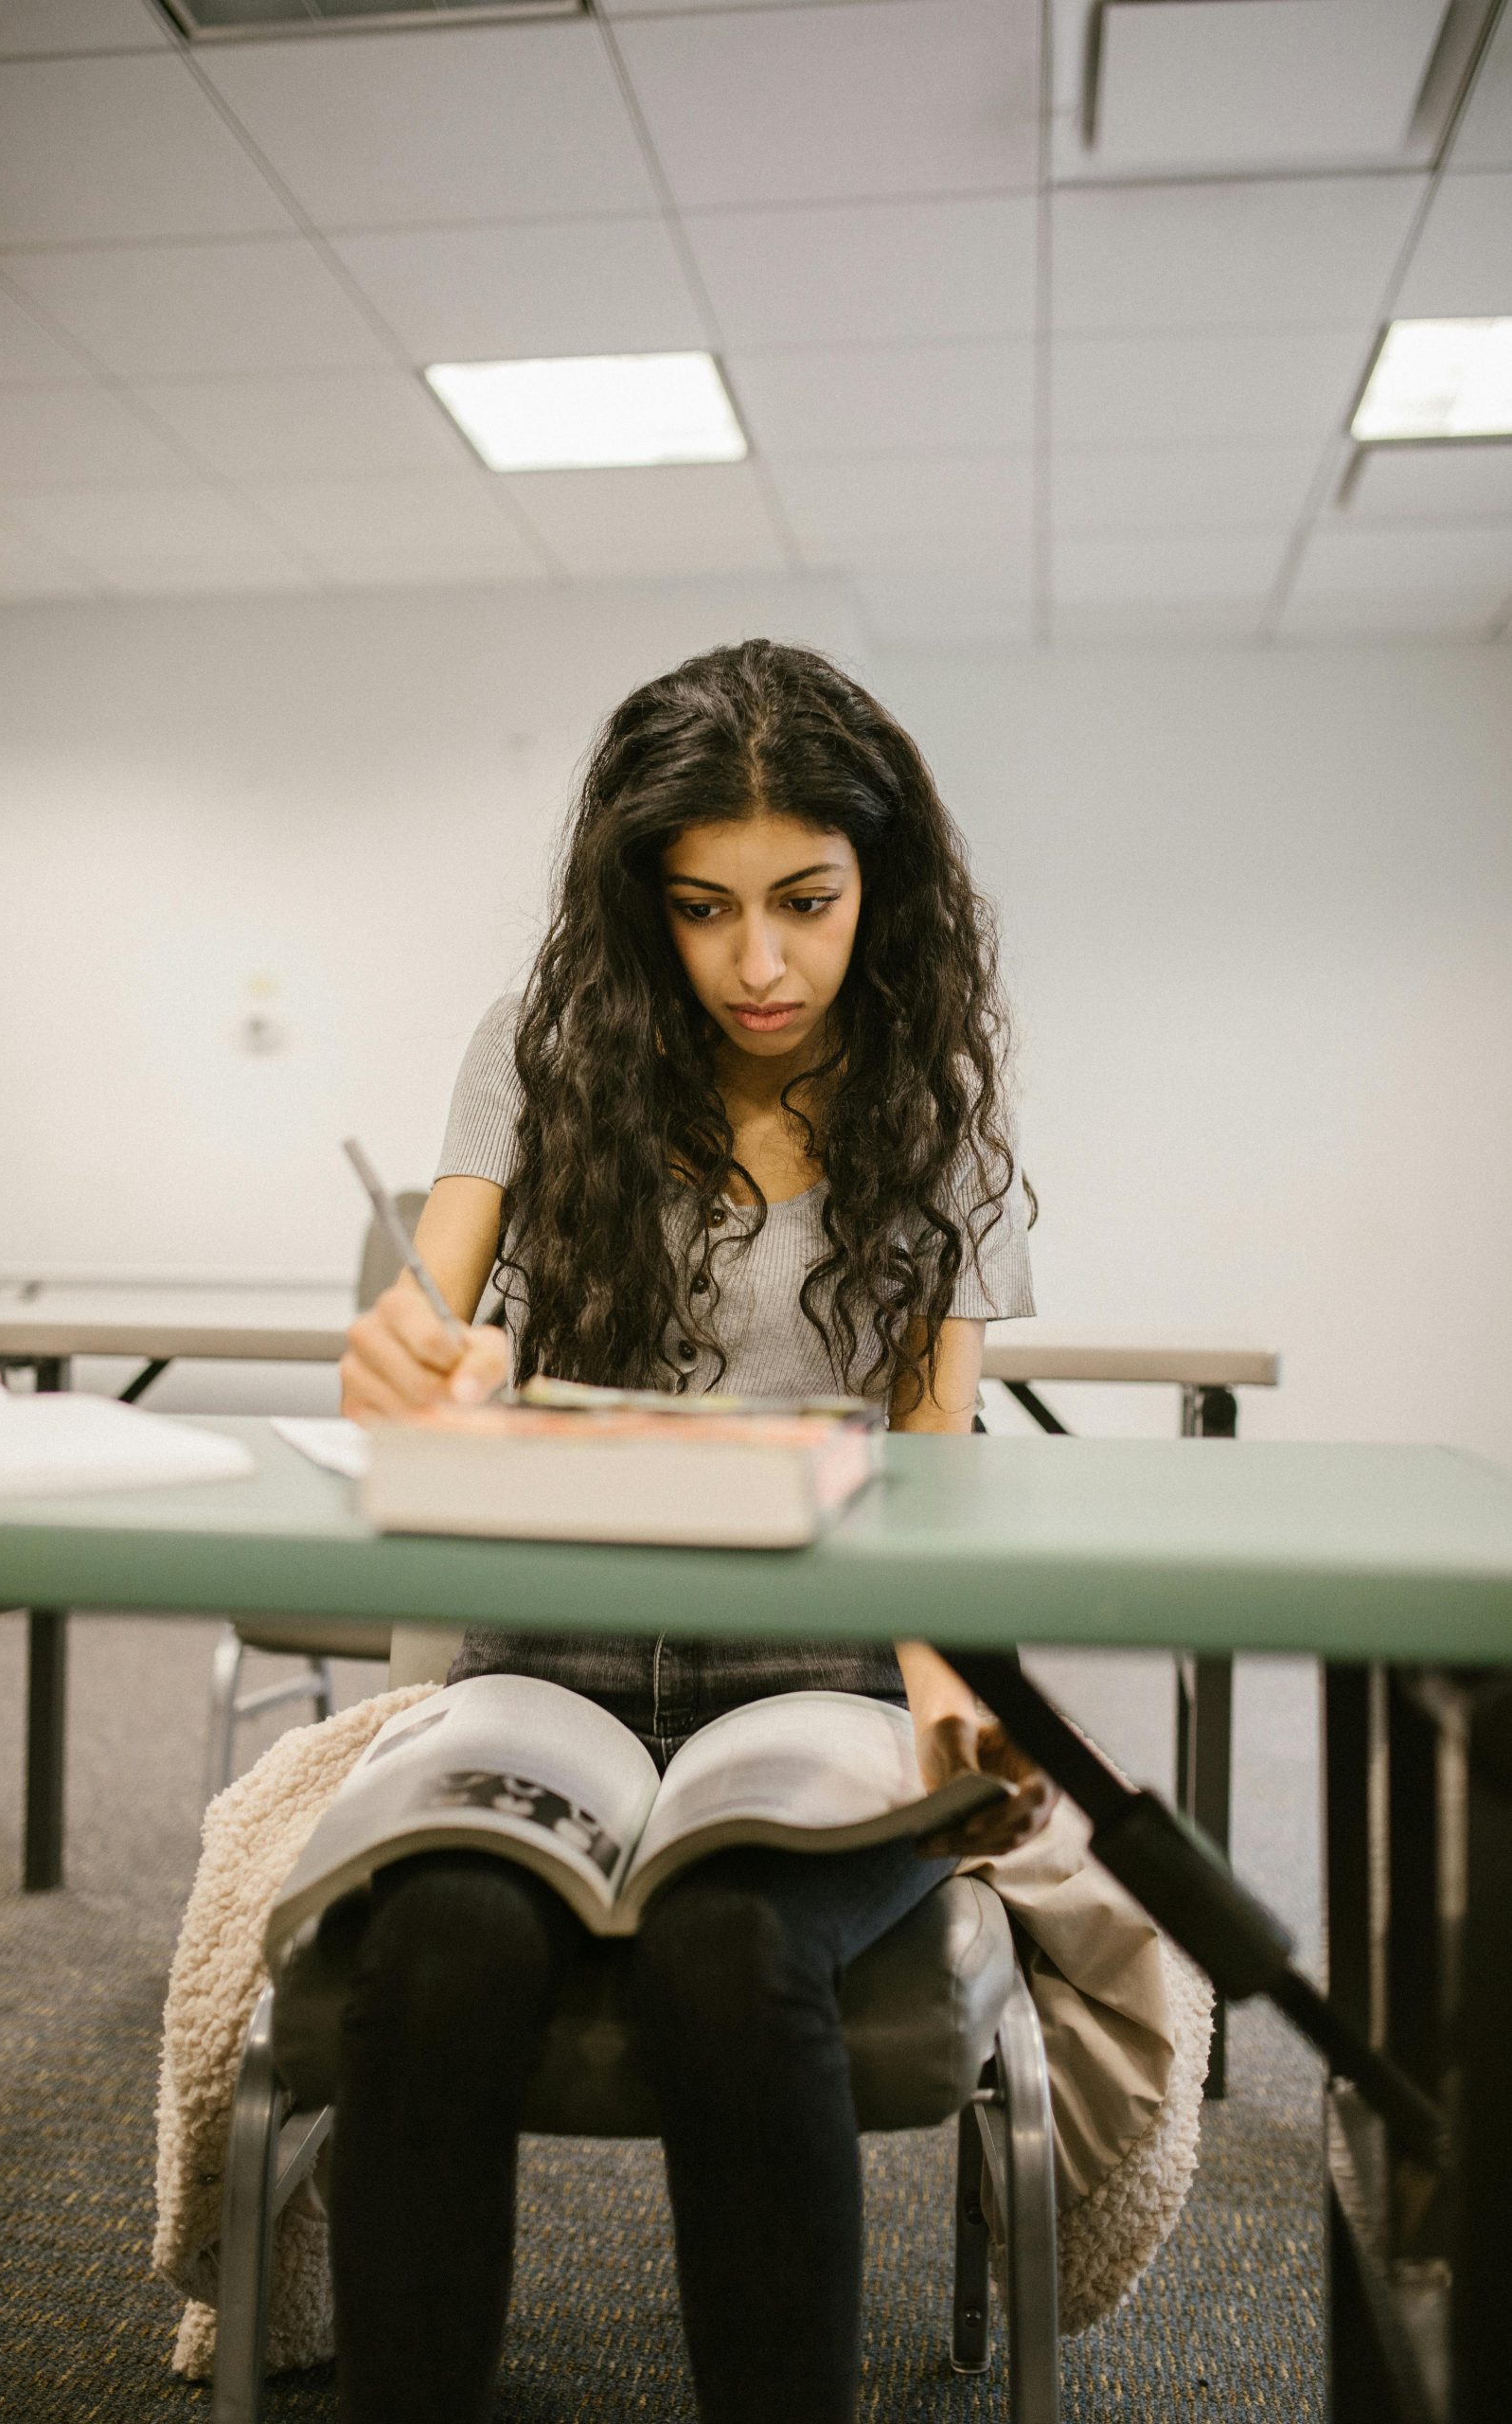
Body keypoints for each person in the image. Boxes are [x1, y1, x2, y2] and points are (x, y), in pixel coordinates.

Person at [335, 637, 1055, 2424]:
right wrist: (404, 1365)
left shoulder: (941, 1101)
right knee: (441, 1944)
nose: (758, 962)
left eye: (805, 902)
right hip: (556, 1654)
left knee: (732, 1948)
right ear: (637, 900)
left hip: (820, 1672)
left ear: (877, 887)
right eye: (703, 908)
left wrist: (945, 1689)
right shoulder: (541, 1051)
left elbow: (933, 1446)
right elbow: (427, 1316)